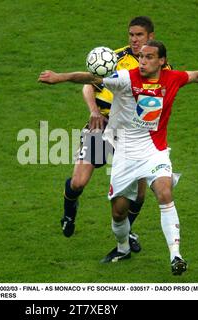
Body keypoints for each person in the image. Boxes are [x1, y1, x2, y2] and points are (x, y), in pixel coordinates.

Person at [38, 40, 198, 275]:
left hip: (155, 152)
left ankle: (176, 256)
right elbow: (89, 79)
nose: (142, 61)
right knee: (119, 213)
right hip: (124, 154)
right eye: (141, 57)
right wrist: (60, 77)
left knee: (164, 191)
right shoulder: (125, 78)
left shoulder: (172, 78)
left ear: (161, 61)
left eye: (149, 57)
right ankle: (122, 247)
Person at [62, 16, 166, 254]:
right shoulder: (113, 57)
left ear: (150, 36)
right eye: (131, 35)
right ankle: (69, 213)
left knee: (138, 194)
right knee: (78, 181)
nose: (134, 40)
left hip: (136, 134)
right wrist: (94, 111)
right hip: (103, 125)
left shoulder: (158, 66)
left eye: (139, 35)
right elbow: (89, 84)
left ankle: (126, 233)